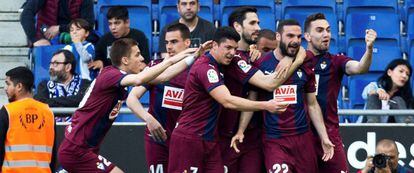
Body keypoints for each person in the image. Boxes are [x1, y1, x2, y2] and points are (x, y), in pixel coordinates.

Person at [57, 38, 191, 173]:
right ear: (125, 60)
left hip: (84, 148)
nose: (142, 58)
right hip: (76, 150)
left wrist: (191, 58)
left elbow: (164, 77)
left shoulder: (118, 78)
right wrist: (171, 60)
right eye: (137, 55)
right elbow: (140, 79)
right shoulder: (110, 75)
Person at [167, 27, 289, 172]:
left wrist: (292, 57)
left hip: (210, 140)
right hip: (189, 139)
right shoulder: (205, 67)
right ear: (214, 45)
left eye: (235, 48)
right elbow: (227, 101)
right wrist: (266, 105)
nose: (232, 52)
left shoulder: (232, 61)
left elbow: (268, 81)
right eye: (228, 47)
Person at [232, 19, 335, 173]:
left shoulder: (305, 63)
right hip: (274, 140)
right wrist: (241, 130)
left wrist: (324, 137)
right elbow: (252, 98)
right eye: (290, 36)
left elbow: (312, 104)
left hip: (302, 139)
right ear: (278, 37)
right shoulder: (261, 63)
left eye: (299, 37)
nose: (295, 41)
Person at [218, 7, 306, 173]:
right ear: (237, 27)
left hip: (252, 136)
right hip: (225, 136)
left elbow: (293, 46)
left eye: (258, 22)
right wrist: (296, 60)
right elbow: (269, 84)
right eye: (252, 23)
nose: (258, 27)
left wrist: (290, 56)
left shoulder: (254, 57)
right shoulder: (232, 58)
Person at [126, 23, 208, 173]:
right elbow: (131, 99)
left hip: (186, 139)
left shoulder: (199, 70)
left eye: (174, 42)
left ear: (187, 43)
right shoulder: (155, 67)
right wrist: (148, 119)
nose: (169, 46)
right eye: (167, 42)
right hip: (157, 138)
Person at [303, 13, 377, 172]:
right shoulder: (297, 61)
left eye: (328, 30)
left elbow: (360, 68)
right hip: (302, 135)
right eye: (320, 30)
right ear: (307, 36)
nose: (326, 34)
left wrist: (369, 49)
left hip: (330, 135)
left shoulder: (336, 61)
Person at [0, 66, 55, 172]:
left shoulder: (8, 111)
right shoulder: (48, 112)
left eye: (8, 84)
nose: (5, 88)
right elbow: (53, 154)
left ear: (19, 86)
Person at [34, 49, 91, 122]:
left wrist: (50, 102)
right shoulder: (44, 85)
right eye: (50, 63)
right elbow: (41, 103)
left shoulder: (85, 84)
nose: (51, 67)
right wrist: (72, 101)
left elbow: (82, 100)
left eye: (55, 63)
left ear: (68, 67)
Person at [92, 6, 150, 70]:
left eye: (117, 23)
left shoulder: (139, 36)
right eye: (110, 24)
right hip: (112, 76)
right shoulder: (104, 40)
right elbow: (98, 60)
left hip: (133, 76)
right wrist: (100, 62)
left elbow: (145, 62)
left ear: (127, 23)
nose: (113, 27)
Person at [20, 0, 95, 47]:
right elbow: (26, 14)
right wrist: (35, 40)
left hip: (74, 41)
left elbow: (88, 24)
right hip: (47, 42)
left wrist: (59, 28)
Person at [362, 59, 414, 123]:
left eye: (407, 74)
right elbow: (366, 93)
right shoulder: (375, 86)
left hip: (393, 131)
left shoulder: (406, 97)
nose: (404, 76)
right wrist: (378, 91)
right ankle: (373, 125)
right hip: (367, 129)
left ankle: (406, 127)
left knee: (398, 100)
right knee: (374, 96)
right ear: (389, 72)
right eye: (401, 71)